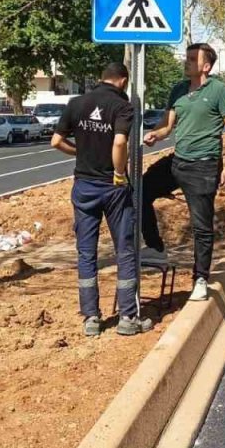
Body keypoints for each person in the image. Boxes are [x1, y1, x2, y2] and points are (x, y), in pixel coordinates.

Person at [51, 62, 154, 337]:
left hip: (83, 186)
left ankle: (91, 318)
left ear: (101, 78)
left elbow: (56, 141)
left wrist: (80, 153)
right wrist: (119, 173)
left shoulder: (76, 103)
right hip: (112, 187)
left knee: (86, 252)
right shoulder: (122, 107)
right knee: (125, 249)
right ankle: (127, 317)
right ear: (122, 81)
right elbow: (120, 143)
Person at [142, 42, 225, 302]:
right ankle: (154, 245)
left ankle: (200, 278)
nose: (185, 62)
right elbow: (167, 126)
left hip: (205, 165)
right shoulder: (178, 90)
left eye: (191, 59)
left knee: (201, 226)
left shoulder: (219, 91)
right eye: (185, 58)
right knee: (140, 190)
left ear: (206, 66)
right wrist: (156, 134)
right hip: (178, 161)